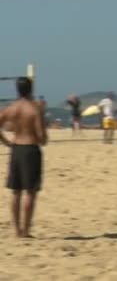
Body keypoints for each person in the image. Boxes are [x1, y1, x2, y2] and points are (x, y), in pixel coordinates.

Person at [0, 77, 48, 238]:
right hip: (30, 149)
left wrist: (6, 142)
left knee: (16, 192)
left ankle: (17, 230)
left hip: (16, 149)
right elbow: (42, 138)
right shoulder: (34, 109)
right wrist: (42, 114)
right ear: (31, 89)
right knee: (30, 191)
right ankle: (26, 230)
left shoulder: (11, 108)